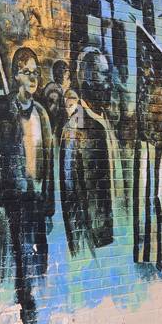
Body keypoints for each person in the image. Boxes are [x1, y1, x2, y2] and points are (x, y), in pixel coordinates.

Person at [0, 47, 56, 324]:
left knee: (39, 249)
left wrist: (49, 199)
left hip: (37, 193)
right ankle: (25, 304)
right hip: (16, 195)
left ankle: (39, 299)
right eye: (26, 72)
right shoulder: (6, 109)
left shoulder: (41, 112)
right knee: (20, 251)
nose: (33, 78)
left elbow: (49, 156)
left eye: (36, 72)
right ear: (16, 75)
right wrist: (4, 193)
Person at [60, 47, 120, 255]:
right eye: (105, 76)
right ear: (87, 80)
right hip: (96, 248)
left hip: (115, 242)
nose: (110, 84)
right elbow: (73, 197)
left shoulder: (105, 122)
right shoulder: (76, 128)